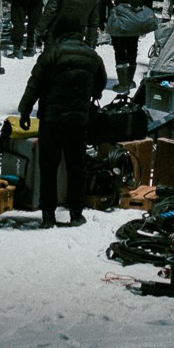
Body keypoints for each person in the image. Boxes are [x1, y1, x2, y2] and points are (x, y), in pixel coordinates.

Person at [17, 35, 108, 227]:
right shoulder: (92, 56)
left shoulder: (52, 53)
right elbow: (100, 84)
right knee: (77, 167)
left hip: (52, 120)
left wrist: (25, 111)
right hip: (78, 122)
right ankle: (76, 214)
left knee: (48, 168)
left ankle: (48, 216)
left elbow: (35, 83)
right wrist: (88, 95)